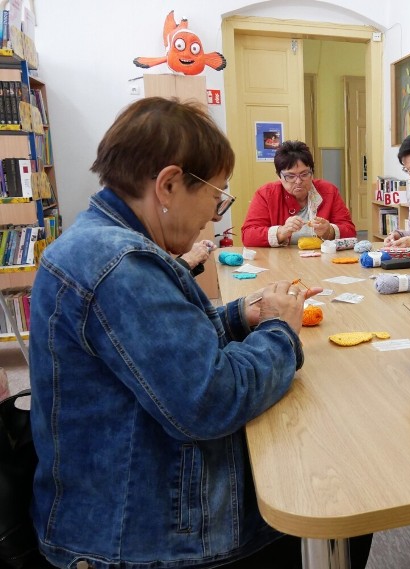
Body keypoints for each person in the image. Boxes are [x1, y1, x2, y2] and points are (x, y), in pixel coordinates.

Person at [27, 97, 372, 569]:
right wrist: (278, 331)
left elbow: (164, 346)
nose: (215, 216)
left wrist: (240, 314)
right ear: (168, 185)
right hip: (139, 536)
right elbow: (210, 398)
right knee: (345, 496)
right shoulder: (121, 264)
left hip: (128, 502)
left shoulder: (104, 240)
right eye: (216, 197)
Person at [241, 140, 356, 247]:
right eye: (290, 176)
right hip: (281, 262)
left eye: (304, 174)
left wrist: (329, 231)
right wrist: (281, 231)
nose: (298, 181)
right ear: (279, 177)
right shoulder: (266, 194)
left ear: (312, 173)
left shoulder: (329, 191)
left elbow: (350, 231)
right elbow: (248, 235)